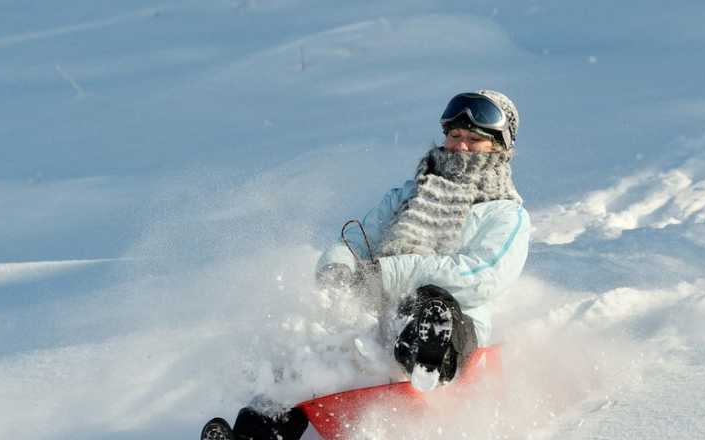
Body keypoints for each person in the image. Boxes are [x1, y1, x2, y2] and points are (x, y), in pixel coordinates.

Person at [201, 90, 531, 440]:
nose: (461, 146)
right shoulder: (408, 196)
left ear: (499, 148)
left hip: (450, 331)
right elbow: (355, 243)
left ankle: (425, 357)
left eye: (474, 139)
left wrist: (388, 274)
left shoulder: (506, 215)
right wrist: (338, 272)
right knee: (304, 351)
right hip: (374, 320)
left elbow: (483, 276)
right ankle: (253, 434)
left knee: (431, 301)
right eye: (455, 136)